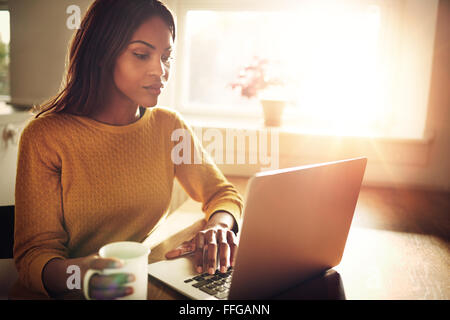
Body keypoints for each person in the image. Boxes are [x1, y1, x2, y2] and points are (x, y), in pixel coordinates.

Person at [12, 0, 243, 300]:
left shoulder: (168, 127)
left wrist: (219, 227)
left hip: (138, 286)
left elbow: (222, 194)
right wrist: (82, 277)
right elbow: (33, 258)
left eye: (166, 56)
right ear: (102, 54)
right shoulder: (45, 137)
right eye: (141, 54)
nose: (160, 70)